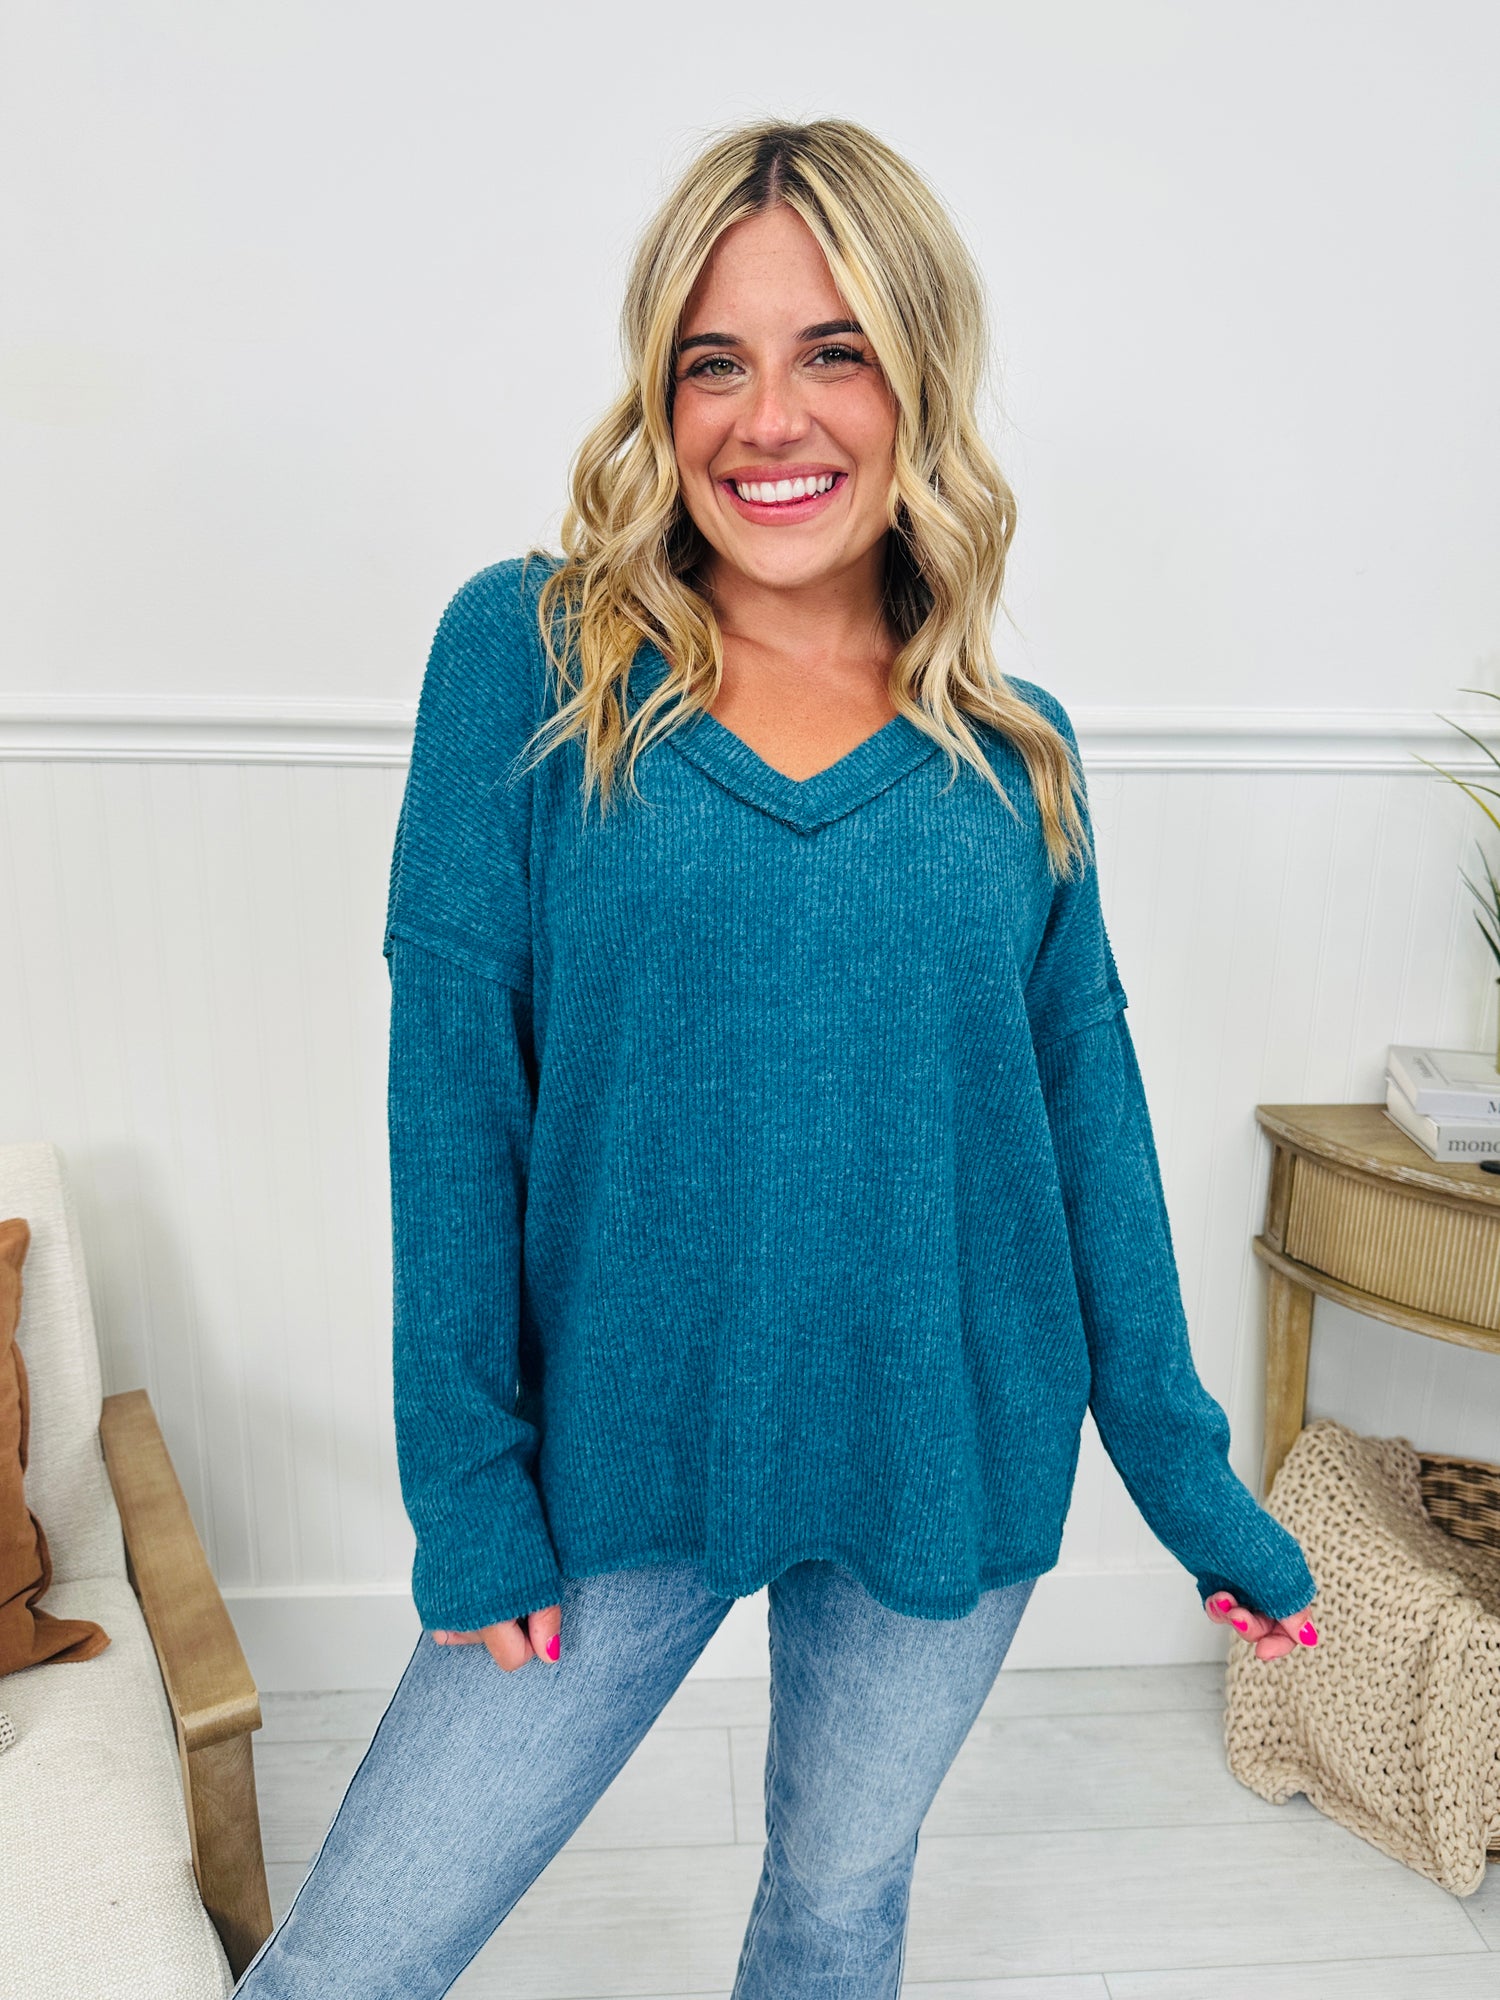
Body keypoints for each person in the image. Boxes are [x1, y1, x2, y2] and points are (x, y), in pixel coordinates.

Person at [232, 117, 1318, 2000]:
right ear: (659, 395)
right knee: (347, 1968)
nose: (769, 419)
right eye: (712, 361)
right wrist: (469, 1490)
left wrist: (1192, 1487)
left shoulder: (1020, 753)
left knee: (833, 1910)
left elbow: (1090, 1133)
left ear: (921, 380)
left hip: (944, 1445)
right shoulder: (531, 656)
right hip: (610, 1452)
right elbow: (452, 1100)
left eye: (835, 352)